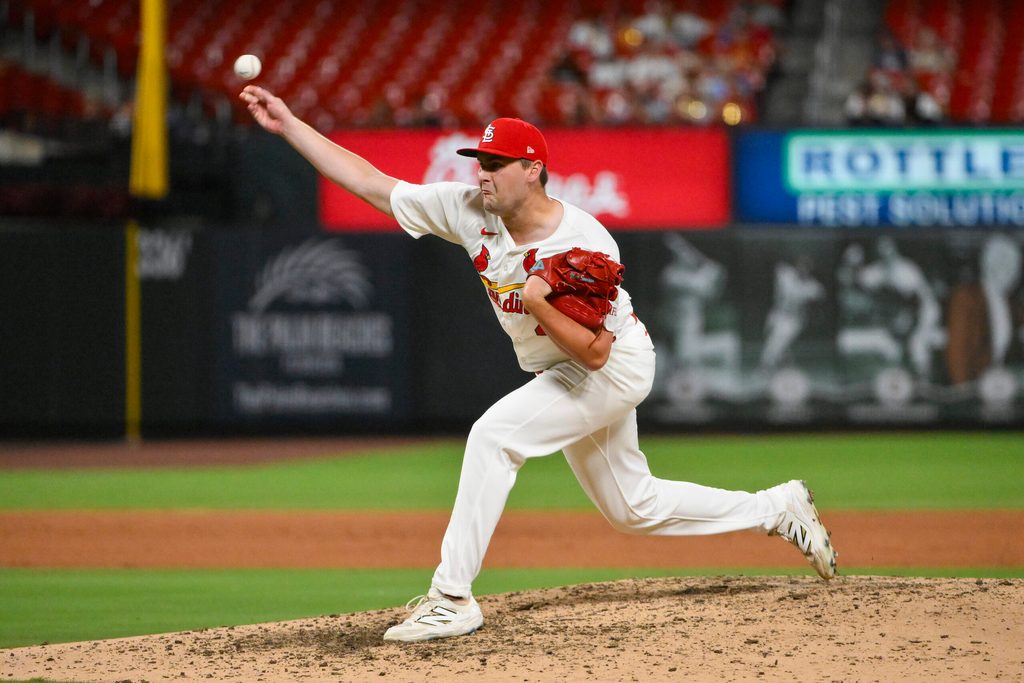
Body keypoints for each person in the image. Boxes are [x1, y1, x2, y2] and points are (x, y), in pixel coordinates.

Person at [239, 85, 839, 643]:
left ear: (534, 170)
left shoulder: (584, 243)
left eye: (497, 163)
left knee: (493, 437)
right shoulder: (470, 207)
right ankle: (776, 506)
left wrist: (540, 303)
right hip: (563, 367)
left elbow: (597, 351)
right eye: (481, 160)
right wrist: (290, 125)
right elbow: (372, 183)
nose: (484, 172)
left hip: (611, 364)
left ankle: (452, 596)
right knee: (634, 508)